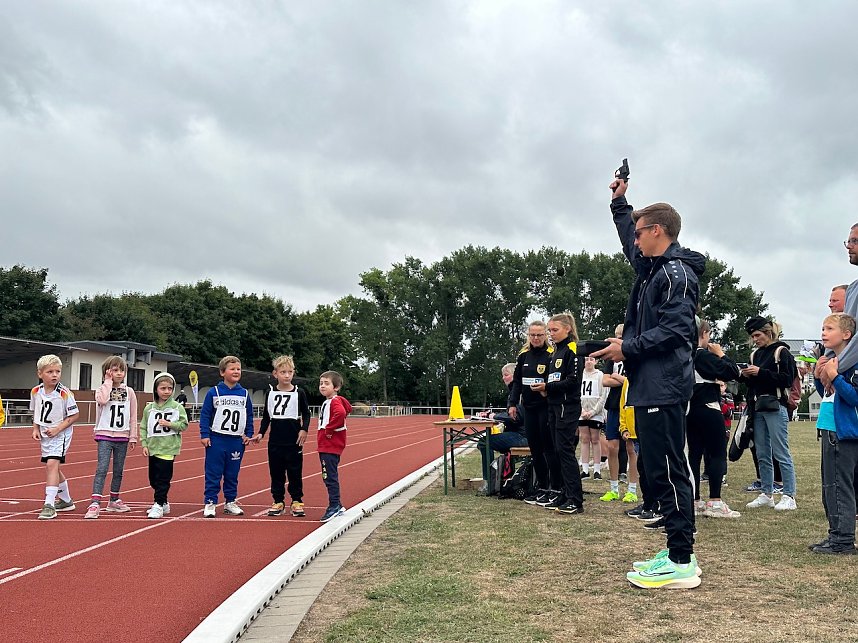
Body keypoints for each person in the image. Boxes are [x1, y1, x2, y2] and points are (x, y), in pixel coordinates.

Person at [594, 174, 704, 589]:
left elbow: (679, 332)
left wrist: (628, 348)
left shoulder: (675, 274)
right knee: (655, 470)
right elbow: (628, 241)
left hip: (665, 383)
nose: (635, 240)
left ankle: (681, 560)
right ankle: (676, 549)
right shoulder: (652, 268)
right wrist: (621, 206)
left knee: (669, 469)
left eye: (641, 232)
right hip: (649, 383)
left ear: (658, 231)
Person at [810, 313, 858, 554]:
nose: (823, 333)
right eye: (822, 328)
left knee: (839, 486)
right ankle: (835, 534)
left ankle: (843, 539)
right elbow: (828, 393)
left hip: (843, 431)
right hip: (829, 426)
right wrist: (821, 377)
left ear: (846, 334)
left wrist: (835, 376)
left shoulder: (852, 363)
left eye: (829, 328)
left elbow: (853, 397)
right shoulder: (832, 359)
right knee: (830, 485)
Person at [740, 317, 798, 511]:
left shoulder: (782, 352)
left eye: (758, 335)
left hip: (776, 405)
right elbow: (753, 384)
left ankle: (789, 494)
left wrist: (760, 372)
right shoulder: (755, 355)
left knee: (781, 451)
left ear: (768, 333)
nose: (755, 339)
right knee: (762, 452)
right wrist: (747, 376)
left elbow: (787, 379)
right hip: (758, 406)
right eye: (753, 336)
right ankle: (767, 492)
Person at [530, 313, 584, 515]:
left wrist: (549, 387)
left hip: (566, 407)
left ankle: (575, 499)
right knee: (555, 451)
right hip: (552, 406)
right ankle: (563, 492)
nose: (551, 334)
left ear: (567, 329)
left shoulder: (572, 349)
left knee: (565, 451)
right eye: (549, 331)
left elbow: (573, 381)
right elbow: (555, 379)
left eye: (554, 330)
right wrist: (546, 389)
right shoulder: (555, 351)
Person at [688, 321, 741, 518]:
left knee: (694, 454)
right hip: (708, 407)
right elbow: (733, 372)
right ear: (704, 333)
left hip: (690, 409)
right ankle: (716, 501)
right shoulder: (702, 354)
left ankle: (694, 499)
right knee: (717, 453)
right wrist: (721, 354)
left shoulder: (684, 354)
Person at [254, 355, 311, 517]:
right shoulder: (270, 392)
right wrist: (260, 433)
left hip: (294, 440)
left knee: (295, 472)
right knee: (276, 472)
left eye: (290, 372)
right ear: (275, 374)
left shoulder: (299, 392)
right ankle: (278, 500)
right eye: (283, 372)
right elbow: (267, 416)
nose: (287, 375)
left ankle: (297, 500)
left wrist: (304, 429)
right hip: (276, 441)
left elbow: (306, 414)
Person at [199, 356, 255, 518]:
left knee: (232, 473)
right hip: (217, 439)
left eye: (238, 369)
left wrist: (248, 434)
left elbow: (249, 416)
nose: (236, 371)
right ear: (222, 372)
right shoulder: (214, 392)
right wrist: (204, 434)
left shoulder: (244, 394)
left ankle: (230, 501)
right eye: (232, 369)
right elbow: (205, 415)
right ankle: (210, 501)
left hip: (236, 441)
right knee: (213, 472)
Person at [84, 356, 139, 519]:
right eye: (115, 370)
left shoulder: (129, 392)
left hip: (122, 436)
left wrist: (133, 436)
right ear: (107, 372)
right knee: (101, 468)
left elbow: (133, 415)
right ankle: (95, 502)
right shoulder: (102, 389)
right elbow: (102, 400)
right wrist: (108, 381)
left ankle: (114, 500)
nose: (119, 373)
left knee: (118, 470)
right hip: (105, 435)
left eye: (122, 370)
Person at [508, 321, 556, 505]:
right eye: (532, 335)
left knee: (548, 449)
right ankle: (541, 487)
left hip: (545, 408)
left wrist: (547, 390)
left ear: (545, 336)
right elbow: (517, 383)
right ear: (528, 335)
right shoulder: (523, 356)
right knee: (535, 450)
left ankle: (554, 487)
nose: (536, 338)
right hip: (528, 409)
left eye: (540, 335)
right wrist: (512, 403)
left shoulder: (551, 356)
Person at [30, 355, 80, 520]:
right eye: (50, 371)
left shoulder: (64, 393)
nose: (54, 375)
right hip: (45, 434)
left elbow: (74, 415)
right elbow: (36, 411)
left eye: (57, 371)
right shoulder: (36, 392)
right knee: (54, 468)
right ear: (40, 374)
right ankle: (66, 500)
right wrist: (36, 428)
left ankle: (49, 504)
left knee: (51, 464)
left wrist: (58, 428)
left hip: (61, 434)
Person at [140, 372, 189, 519]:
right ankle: (164, 502)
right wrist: (144, 444)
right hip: (154, 448)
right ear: (156, 389)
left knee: (163, 479)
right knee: (153, 479)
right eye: (163, 388)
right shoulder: (149, 409)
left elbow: (184, 425)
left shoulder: (177, 407)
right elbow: (144, 427)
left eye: (169, 388)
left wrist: (170, 424)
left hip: (168, 448)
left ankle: (159, 504)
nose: (166, 391)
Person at [477, 363, 528, 489]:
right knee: (485, 441)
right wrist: (493, 415)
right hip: (521, 433)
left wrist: (494, 417)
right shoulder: (514, 392)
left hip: (523, 436)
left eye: (506, 375)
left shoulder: (520, 392)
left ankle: (489, 482)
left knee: (484, 442)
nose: (503, 378)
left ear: (515, 375)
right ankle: (497, 478)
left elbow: (517, 416)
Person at [317, 370, 353, 522]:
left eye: (326, 383)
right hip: (327, 445)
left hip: (329, 445)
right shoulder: (329, 401)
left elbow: (340, 414)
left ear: (336, 387)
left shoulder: (335, 402)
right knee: (329, 475)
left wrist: (329, 429)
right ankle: (336, 503)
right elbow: (346, 410)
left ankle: (334, 505)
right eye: (321, 383)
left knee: (329, 476)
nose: (322, 386)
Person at [579, 357, 607, 484]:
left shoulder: (600, 375)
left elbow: (603, 395)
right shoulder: (580, 374)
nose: (589, 362)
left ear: (595, 361)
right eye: (586, 359)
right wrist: (582, 411)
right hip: (582, 412)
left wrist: (593, 411)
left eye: (591, 359)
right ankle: (584, 469)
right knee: (584, 439)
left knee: (595, 439)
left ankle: (597, 470)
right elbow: (576, 394)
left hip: (596, 413)